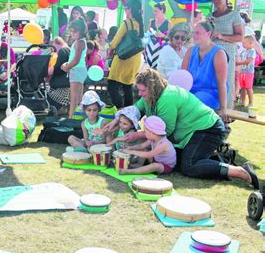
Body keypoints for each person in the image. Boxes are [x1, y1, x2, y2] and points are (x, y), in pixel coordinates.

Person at [103, 69, 259, 188]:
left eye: (143, 90)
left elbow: (164, 133)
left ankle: (239, 172)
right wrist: (116, 121)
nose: (140, 94)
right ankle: (223, 159)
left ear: (153, 87)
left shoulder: (166, 98)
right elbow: (134, 111)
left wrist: (137, 136)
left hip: (208, 129)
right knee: (174, 162)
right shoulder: (150, 97)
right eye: (138, 90)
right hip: (193, 132)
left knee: (189, 166)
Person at [181, 20, 228, 119]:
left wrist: (223, 108)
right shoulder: (190, 51)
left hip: (211, 93)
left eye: (197, 33)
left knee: (192, 105)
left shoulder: (219, 53)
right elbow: (182, 77)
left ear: (209, 34)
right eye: (193, 32)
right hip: (191, 92)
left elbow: (221, 83)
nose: (194, 35)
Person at [208, 0, 244, 108]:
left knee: (226, 82)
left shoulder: (234, 15)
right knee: (211, 80)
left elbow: (240, 37)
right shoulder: (210, 16)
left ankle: (226, 113)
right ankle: (212, 111)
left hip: (227, 54)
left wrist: (221, 36)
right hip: (211, 54)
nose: (217, 0)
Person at [107, 0, 144, 109]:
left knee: (112, 84)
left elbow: (116, 40)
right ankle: (128, 113)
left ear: (130, 9)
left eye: (126, 8)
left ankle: (119, 108)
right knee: (127, 86)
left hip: (123, 57)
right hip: (135, 58)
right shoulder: (140, 24)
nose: (125, 11)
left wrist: (110, 48)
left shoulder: (127, 23)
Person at [61, 18, 88, 118]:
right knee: (79, 99)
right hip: (78, 70)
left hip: (77, 70)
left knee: (74, 99)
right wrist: (67, 64)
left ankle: (71, 119)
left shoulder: (80, 42)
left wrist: (66, 67)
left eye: (75, 31)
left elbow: (76, 60)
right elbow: (75, 59)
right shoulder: (79, 41)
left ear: (81, 31)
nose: (72, 34)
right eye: (71, 31)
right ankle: (80, 118)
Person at [47, 36, 70, 113]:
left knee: (49, 95)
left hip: (61, 84)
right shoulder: (68, 49)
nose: (53, 50)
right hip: (67, 83)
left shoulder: (62, 51)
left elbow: (58, 67)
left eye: (54, 47)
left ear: (57, 44)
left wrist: (49, 70)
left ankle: (59, 109)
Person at [145, 2, 172, 69]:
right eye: (154, 11)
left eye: (156, 11)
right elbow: (147, 35)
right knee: (149, 68)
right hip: (150, 48)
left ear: (162, 10)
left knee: (158, 68)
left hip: (161, 49)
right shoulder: (152, 21)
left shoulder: (168, 23)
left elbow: (171, 39)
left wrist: (163, 35)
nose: (154, 12)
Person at [236, 35, 256, 107]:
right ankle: (242, 101)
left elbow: (248, 61)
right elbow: (241, 59)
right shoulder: (243, 52)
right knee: (243, 88)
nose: (243, 44)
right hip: (242, 72)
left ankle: (251, 103)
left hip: (249, 73)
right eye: (243, 43)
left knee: (248, 88)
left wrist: (238, 63)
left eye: (245, 43)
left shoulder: (252, 51)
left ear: (250, 43)